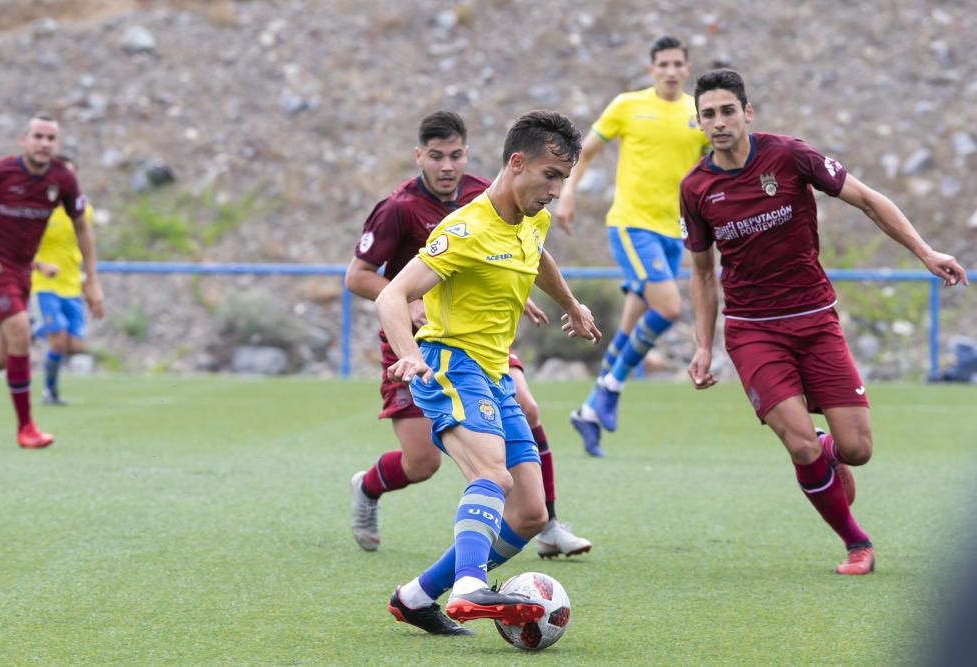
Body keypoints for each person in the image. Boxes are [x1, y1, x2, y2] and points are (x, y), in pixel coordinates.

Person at [680, 69, 967, 575]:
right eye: (708, 114)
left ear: (747, 113)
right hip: (752, 330)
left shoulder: (789, 156)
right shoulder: (696, 188)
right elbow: (703, 274)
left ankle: (829, 452)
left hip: (814, 320)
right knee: (799, 443)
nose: (719, 121)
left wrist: (925, 252)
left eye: (728, 110)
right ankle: (857, 543)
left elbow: (869, 200)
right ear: (698, 122)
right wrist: (703, 346)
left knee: (857, 451)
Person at [377, 110, 600, 634]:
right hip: (450, 364)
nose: (555, 190)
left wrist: (570, 302)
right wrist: (407, 353)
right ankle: (469, 585)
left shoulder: (531, 216)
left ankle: (414, 597)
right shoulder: (465, 228)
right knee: (491, 476)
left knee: (528, 512)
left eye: (563, 180)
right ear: (517, 163)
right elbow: (392, 295)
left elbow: (538, 255)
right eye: (550, 176)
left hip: (496, 373)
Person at [556, 35, 710, 457]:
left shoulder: (698, 114)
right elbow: (583, 152)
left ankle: (588, 412)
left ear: (687, 67)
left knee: (628, 327)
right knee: (670, 307)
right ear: (652, 69)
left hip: (673, 231)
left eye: (679, 63)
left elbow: (714, 164)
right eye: (663, 63)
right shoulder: (628, 105)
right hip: (630, 224)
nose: (671, 70)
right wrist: (568, 193)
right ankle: (609, 387)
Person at [0, 113, 104, 448]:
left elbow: (82, 227)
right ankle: (27, 428)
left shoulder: (62, 180)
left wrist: (92, 280)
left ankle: (26, 424)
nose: (45, 144)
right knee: (21, 330)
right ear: (24, 140)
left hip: (22, 272)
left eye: (51, 138)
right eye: (38, 137)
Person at [31, 154, 95, 406]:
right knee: (57, 341)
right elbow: (21, 246)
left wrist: (88, 278)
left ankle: (33, 330)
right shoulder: (38, 209)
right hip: (44, 285)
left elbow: (84, 242)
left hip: (71, 285)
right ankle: (50, 392)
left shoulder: (84, 210)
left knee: (75, 345)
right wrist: (39, 264)